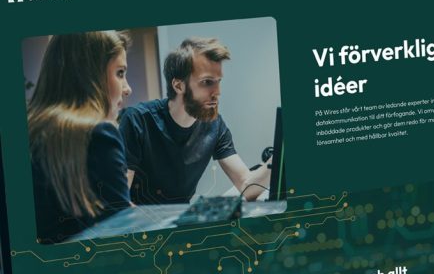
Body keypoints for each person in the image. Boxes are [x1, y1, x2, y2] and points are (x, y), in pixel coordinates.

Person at [119, 37, 270, 205]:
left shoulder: (215, 125)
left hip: (181, 217)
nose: (217, 92)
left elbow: (246, 185)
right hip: (142, 220)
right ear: (178, 86)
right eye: (207, 82)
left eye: (218, 82)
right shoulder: (137, 121)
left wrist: (278, 158)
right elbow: (120, 202)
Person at [28, 31, 133, 243]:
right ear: (89, 75)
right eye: (120, 73)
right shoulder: (100, 136)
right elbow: (124, 238)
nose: (127, 89)